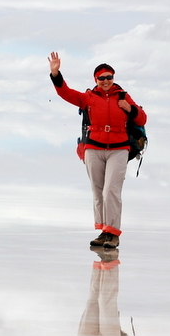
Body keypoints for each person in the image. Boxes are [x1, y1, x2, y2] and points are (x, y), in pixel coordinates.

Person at [48, 52, 147, 249]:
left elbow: (142, 119)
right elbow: (65, 93)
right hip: (93, 148)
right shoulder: (88, 97)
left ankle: (113, 233)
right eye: (101, 78)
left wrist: (130, 109)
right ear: (96, 79)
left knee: (111, 190)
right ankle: (104, 231)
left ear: (113, 78)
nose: (105, 81)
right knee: (98, 190)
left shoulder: (123, 96)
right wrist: (56, 73)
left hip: (119, 148)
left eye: (109, 77)